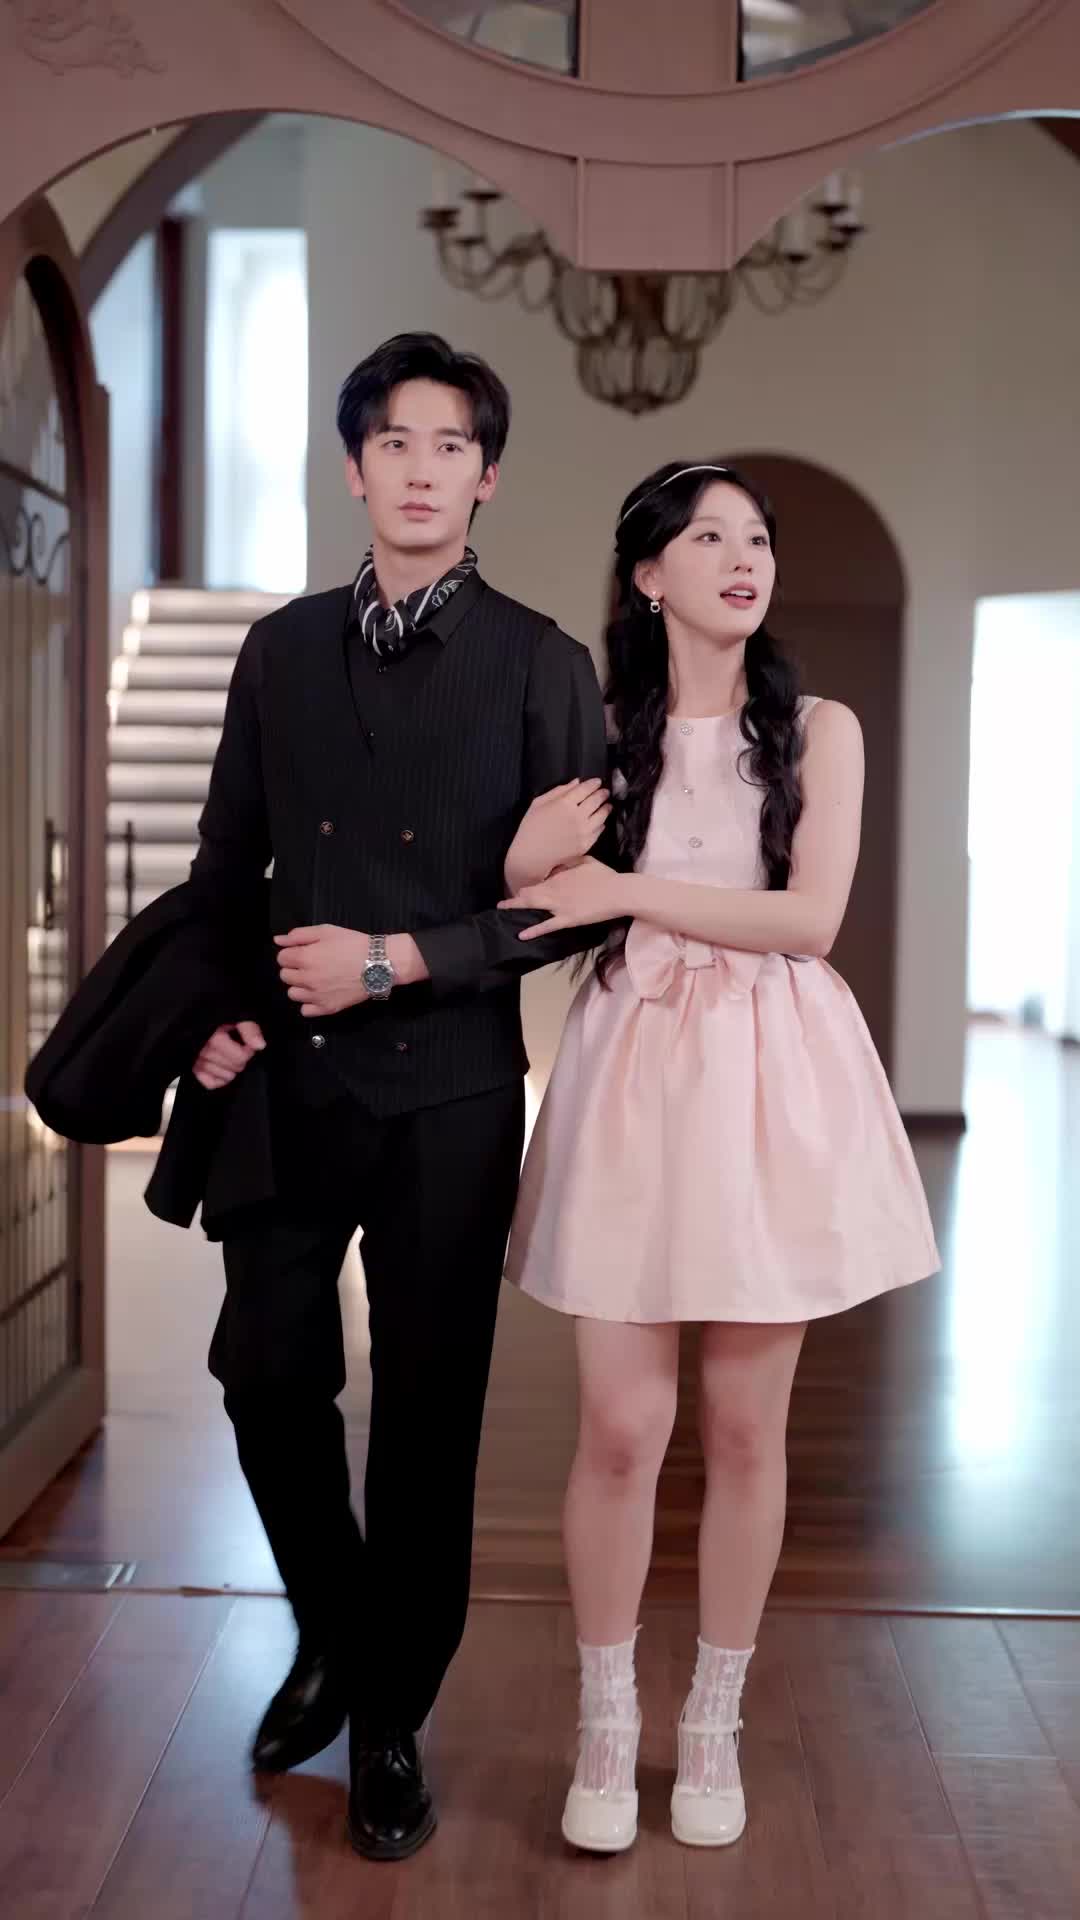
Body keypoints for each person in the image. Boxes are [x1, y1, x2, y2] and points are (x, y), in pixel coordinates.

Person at [187, 331, 616, 1861]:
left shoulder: (542, 663)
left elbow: (577, 906)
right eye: (396, 442)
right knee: (265, 1372)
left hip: (451, 1092)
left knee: (428, 1412)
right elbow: (227, 860)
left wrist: (401, 959)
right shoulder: (281, 650)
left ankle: (385, 1720)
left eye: (452, 446)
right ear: (354, 465)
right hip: (289, 1079)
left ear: (486, 477)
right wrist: (216, 1014)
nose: (422, 469)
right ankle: (333, 1626)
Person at [500, 460, 940, 1853]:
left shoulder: (818, 730)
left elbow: (809, 922)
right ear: (649, 575)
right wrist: (526, 859)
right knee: (623, 1429)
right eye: (709, 537)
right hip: (634, 1073)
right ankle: (606, 1720)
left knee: (748, 1429)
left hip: (768, 1077)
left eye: (758, 538)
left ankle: (713, 1724)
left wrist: (630, 887)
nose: (744, 558)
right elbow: (530, 905)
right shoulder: (593, 732)